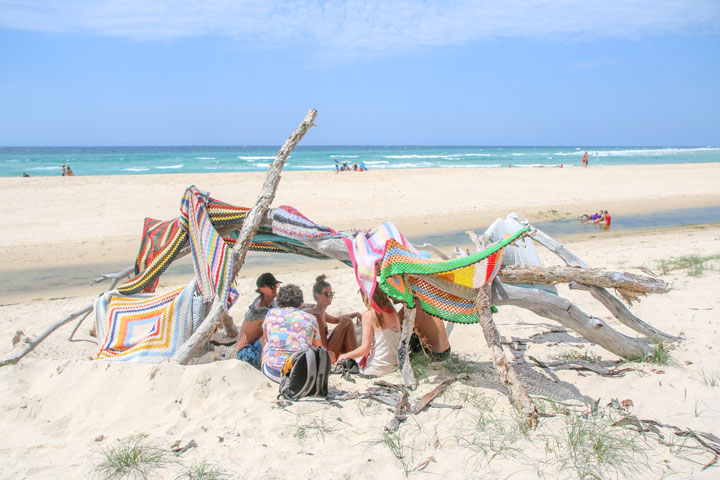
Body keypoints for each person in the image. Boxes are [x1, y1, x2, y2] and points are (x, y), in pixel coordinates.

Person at [261, 284, 321, 383]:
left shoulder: (271, 314)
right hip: (301, 374)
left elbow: (266, 337)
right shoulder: (310, 318)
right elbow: (318, 346)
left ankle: (264, 378)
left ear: (279, 301)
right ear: (300, 303)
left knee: (267, 345)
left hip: (273, 373)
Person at [337, 288, 402, 377]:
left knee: (347, 361)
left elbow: (365, 349)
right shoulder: (392, 311)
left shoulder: (369, 315)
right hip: (395, 364)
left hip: (377, 368)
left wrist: (344, 356)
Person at [303, 275, 360, 362]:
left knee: (346, 321)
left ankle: (354, 356)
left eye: (331, 294)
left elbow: (336, 320)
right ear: (317, 296)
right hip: (325, 355)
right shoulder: (317, 315)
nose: (330, 297)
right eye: (327, 294)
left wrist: (354, 314)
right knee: (346, 321)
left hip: (326, 352)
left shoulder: (321, 311)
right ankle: (355, 357)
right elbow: (323, 346)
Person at [236, 272, 281, 369]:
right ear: (261, 289)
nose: (275, 288)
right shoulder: (258, 309)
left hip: (255, 346)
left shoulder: (270, 302)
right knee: (272, 332)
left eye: (276, 285)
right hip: (246, 353)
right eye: (272, 286)